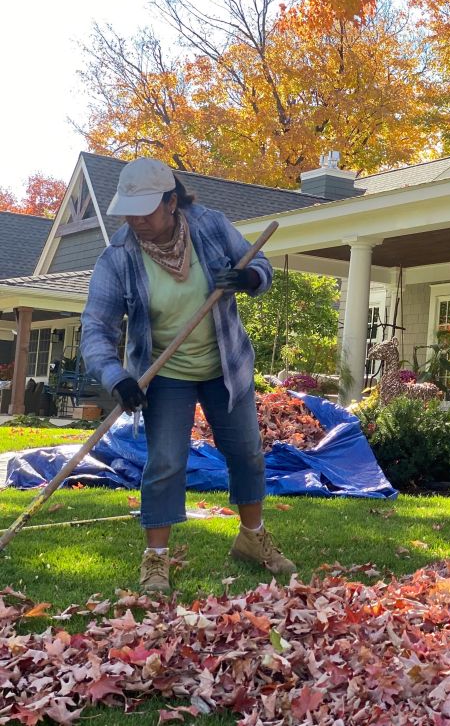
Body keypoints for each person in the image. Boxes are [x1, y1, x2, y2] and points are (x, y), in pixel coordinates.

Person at [81, 157, 295, 594]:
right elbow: (95, 330)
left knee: (247, 454)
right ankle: (156, 559)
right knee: (165, 462)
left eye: (146, 210)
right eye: (129, 211)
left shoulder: (210, 227)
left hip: (224, 366)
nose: (136, 220)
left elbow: (264, 267)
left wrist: (248, 277)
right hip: (164, 374)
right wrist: (116, 377)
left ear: (171, 202)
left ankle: (253, 539)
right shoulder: (118, 257)